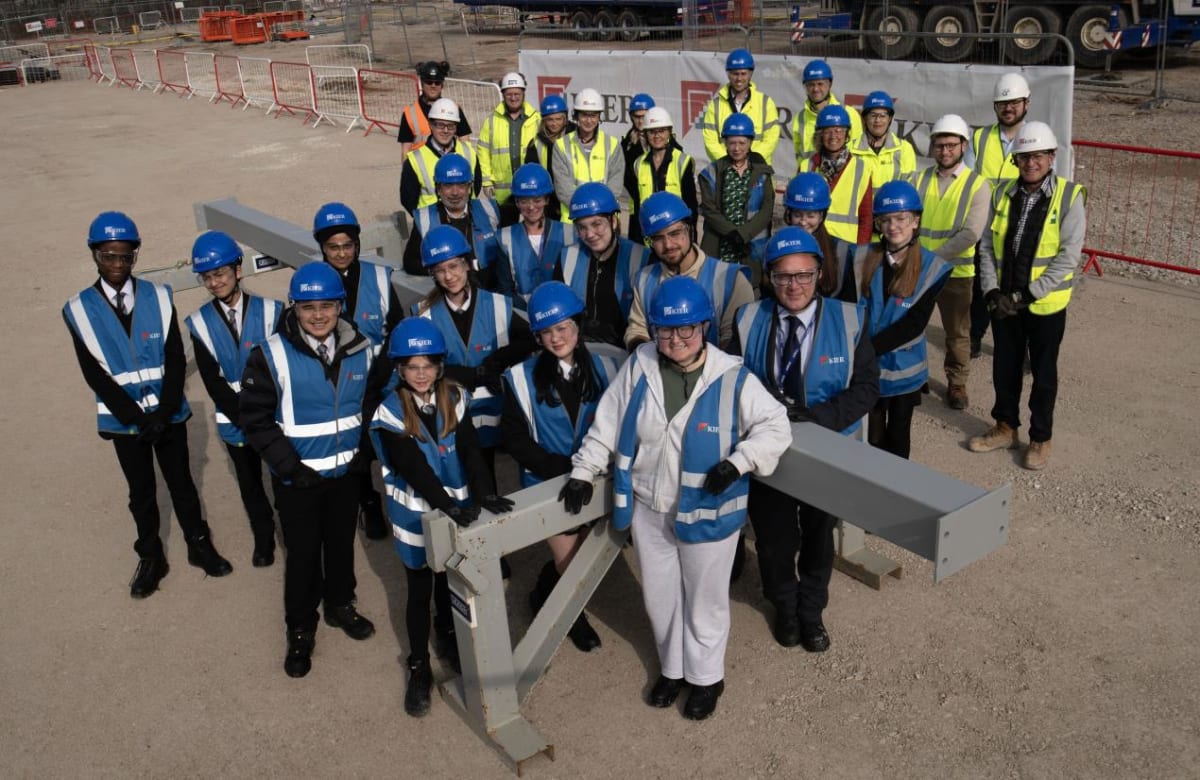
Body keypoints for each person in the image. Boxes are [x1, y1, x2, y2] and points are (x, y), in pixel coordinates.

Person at [561, 275, 791, 720]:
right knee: (661, 596)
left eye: (686, 329)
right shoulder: (640, 364)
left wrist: (740, 461)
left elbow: (776, 426)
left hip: (706, 510)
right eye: (666, 330)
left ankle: (707, 678)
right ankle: (673, 669)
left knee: (705, 600)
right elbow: (607, 421)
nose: (676, 339)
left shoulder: (732, 376)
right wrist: (584, 470)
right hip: (649, 505)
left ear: (703, 327)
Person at [63, 211, 233, 599]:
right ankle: (151, 554)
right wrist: (137, 419)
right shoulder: (78, 310)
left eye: (126, 256)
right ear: (95, 254)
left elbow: (175, 356)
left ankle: (198, 542)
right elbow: (95, 374)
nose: (118, 264)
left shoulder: (158, 296)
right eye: (109, 256)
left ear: (135, 255)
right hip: (127, 423)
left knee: (182, 484)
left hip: (167, 414)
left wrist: (165, 410)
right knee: (140, 492)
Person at [731, 227, 878, 651]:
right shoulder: (748, 319)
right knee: (775, 541)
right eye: (782, 276)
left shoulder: (850, 319)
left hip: (827, 451)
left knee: (818, 537)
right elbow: (734, 381)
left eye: (803, 275)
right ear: (770, 278)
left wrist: (819, 417)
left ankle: (811, 612)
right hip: (768, 452)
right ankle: (784, 604)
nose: (793, 286)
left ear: (819, 274)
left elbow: (867, 387)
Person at [240, 263, 386, 678]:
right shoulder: (270, 355)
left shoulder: (363, 348)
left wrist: (364, 454)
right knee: (303, 555)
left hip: (346, 474)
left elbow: (372, 402)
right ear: (294, 308)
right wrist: (290, 468)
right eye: (308, 308)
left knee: (340, 544)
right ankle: (301, 628)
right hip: (298, 481)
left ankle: (341, 604)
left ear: (340, 305)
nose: (318, 315)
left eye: (326, 306)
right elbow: (255, 418)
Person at [369, 318, 513, 717]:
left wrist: (485, 495)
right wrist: (447, 506)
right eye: (411, 367)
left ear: (439, 366)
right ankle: (418, 665)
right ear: (399, 369)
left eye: (427, 366)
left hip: (458, 508)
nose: (420, 374)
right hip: (416, 514)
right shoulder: (391, 410)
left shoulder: (456, 396)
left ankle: (448, 633)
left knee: (453, 580)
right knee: (419, 589)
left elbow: (471, 451)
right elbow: (413, 467)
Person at [501, 282, 620, 653]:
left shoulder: (607, 368)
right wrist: (562, 469)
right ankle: (573, 618)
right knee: (572, 564)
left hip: (597, 478)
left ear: (577, 326)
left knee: (588, 554)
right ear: (537, 335)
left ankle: (541, 590)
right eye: (548, 331)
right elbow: (514, 437)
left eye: (563, 327)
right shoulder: (519, 378)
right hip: (550, 481)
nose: (557, 338)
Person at [968, 122, 1086, 471]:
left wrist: (1027, 295)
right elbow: (987, 245)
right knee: (1005, 367)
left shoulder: (1069, 196)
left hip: (1045, 306)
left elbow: (1068, 257)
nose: (1031, 162)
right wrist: (991, 289)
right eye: (1024, 156)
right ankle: (1005, 427)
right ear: (1015, 160)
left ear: (1052, 156)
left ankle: (1040, 437)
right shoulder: (1002, 192)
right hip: (1005, 302)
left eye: (1038, 155)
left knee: (1044, 375)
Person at [184, 230, 284, 567]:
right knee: (249, 482)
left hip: (273, 416)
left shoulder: (272, 311)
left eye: (221, 273)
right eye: (207, 277)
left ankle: (290, 530)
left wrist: (263, 415)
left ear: (238, 271)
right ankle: (264, 537)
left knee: (282, 476)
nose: (214, 283)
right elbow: (213, 382)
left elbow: (283, 365)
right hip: (236, 421)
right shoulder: (199, 323)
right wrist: (245, 418)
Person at [314, 201, 401, 541]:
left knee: (395, 444)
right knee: (357, 452)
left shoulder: (379, 277)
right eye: (333, 247)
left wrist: (380, 374)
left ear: (357, 244)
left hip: (384, 380)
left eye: (347, 245)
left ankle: (400, 501)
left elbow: (394, 327)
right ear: (322, 247)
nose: (340, 253)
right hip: (344, 386)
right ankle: (369, 503)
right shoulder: (314, 283)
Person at [413, 225, 535, 459]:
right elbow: (417, 366)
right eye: (439, 270)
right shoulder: (422, 316)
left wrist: (497, 361)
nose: (448, 276)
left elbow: (530, 339)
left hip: (495, 418)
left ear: (467, 264)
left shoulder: (499, 304)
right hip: (449, 419)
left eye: (454, 266)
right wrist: (466, 373)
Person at [858, 181, 951, 459]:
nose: (893, 226)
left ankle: (896, 493)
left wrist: (867, 349)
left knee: (898, 438)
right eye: (885, 220)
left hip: (903, 372)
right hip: (870, 369)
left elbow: (914, 323)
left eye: (901, 219)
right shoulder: (864, 257)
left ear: (915, 221)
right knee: (873, 437)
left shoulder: (933, 267)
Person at [913, 114, 992, 410]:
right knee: (913, 325)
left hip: (954, 272)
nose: (944, 151)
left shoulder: (977, 185)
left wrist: (931, 258)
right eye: (939, 145)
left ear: (963, 146)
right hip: (919, 269)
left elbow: (971, 232)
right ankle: (915, 374)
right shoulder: (919, 179)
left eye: (950, 145)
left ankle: (957, 384)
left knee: (957, 332)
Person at [626, 191, 754, 352]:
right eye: (658, 238)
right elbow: (636, 330)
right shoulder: (644, 279)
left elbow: (736, 340)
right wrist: (649, 358)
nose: (668, 245)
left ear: (690, 229)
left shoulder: (731, 279)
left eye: (675, 233)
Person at [969, 73, 1031, 358]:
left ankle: (1024, 347)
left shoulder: (1035, 137)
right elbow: (968, 181)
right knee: (983, 288)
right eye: (1003, 103)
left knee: (1021, 289)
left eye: (1014, 102)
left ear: (1026, 103)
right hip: (987, 228)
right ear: (995, 107)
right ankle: (974, 337)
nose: (1008, 108)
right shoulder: (981, 138)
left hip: (1021, 227)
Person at [555, 182, 651, 348]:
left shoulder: (641, 258)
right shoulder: (567, 257)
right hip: (579, 351)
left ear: (614, 221)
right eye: (582, 227)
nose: (590, 234)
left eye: (597, 224)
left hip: (624, 352)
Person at [698, 113, 775, 287]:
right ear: (725, 143)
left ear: (750, 143)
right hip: (721, 244)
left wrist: (744, 234)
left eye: (742, 143)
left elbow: (767, 208)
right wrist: (732, 233)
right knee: (719, 288)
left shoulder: (762, 172)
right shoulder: (711, 172)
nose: (737, 148)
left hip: (752, 246)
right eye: (732, 143)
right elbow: (709, 209)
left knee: (750, 289)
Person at [404, 153, 502, 286]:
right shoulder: (425, 218)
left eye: (461, 185)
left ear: (469, 187)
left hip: (490, 292)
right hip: (449, 295)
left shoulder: (489, 210)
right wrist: (444, 271)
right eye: (448, 186)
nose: (455, 192)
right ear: (438, 189)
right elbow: (410, 263)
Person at [496, 163, 575, 307]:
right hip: (522, 319)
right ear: (517, 202)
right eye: (524, 201)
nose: (531, 207)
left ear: (547, 200)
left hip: (561, 316)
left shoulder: (569, 234)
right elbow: (505, 290)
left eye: (537, 200)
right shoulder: (504, 238)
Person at [625, 106, 698, 245]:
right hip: (648, 237)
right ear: (645, 133)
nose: (657, 136)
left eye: (662, 131)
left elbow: (691, 207)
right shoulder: (638, 164)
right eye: (652, 131)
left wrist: (691, 240)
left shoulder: (683, 161)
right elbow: (637, 205)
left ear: (669, 132)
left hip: (674, 238)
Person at [804, 105, 874, 247]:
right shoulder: (807, 166)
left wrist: (859, 252)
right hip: (811, 243)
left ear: (847, 134)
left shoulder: (861, 168)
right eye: (828, 131)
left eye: (838, 131)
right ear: (820, 134)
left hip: (846, 248)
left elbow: (866, 217)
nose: (833, 136)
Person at [781, 172, 857, 302]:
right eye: (798, 215)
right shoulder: (777, 247)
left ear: (822, 216)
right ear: (789, 214)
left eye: (811, 216)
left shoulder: (841, 251)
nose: (803, 222)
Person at [400, 97, 482, 217]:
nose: (445, 130)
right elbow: (408, 200)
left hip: (466, 221)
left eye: (451, 126)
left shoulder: (469, 153)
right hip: (432, 225)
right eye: (440, 125)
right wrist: (425, 221)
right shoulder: (414, 160)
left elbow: (476, 187)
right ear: (430, 125)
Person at [551, 88, 624, 222]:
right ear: (576, 116)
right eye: (584, 115)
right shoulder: (561, 146)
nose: (589, 120)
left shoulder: (613, 145)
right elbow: (563, 190)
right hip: (573, 220)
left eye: (593, 115)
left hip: (604, 219)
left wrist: (597, 211)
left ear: (599, 117)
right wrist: (587, 210)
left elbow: (615, 186)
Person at [699, 48, 781, 165]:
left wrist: (748, 162)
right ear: (728, 74)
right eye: (735, 74)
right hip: (726, 171)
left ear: (750, 74)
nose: (739, 79)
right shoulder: (715, 106)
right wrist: (731, 163)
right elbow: (710, 142)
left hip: (757, 170)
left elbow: (771, 139)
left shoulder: (765, 103)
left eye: (743, 74)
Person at [478, 71, 540, 224]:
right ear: (503, 94)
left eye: (517, 94)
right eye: (509, 94)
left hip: (530, 188)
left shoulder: (537, 120)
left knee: (532, 230)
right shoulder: (492, 120)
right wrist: (486, 181)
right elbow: (483, 151)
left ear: (523, 93)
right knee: (506, 234)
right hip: (503, 193)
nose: (513, 98)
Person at [792, 59, 863, 162]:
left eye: (820, 84)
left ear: (829, 84)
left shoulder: (849, 114)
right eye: (811, 84)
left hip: (841, 176)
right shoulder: (800, 118)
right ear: (806, 87)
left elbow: (858, 154)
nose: (815, 89)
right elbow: (799, 155)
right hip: (811, 175)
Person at [397, 61, 471, 158]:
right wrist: (406, 172)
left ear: (442, 85)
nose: (433, 86)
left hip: (447, 169)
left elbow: (465, 142)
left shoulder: (454, 109)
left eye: (437, 82)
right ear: (422, 83)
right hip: (421, 170)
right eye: (429, 82)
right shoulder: (409, 113)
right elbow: (405, 150)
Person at [524, 93, 575, 221]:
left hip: (573, 197)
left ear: (565, 119)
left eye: (558, 119)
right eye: (550, 119)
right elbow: (533, 173)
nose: (554, 124)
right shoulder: (536, 143)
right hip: (549, 202)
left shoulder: (576, 137)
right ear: (543, 120)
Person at [851, 90, 916, 188]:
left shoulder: (904, 149)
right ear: (864, 118)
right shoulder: (849, 149)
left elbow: (908, 187)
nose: (877, 120)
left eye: (882, 116)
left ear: (889, 119)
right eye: (873, 115)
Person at [621, 92, 655, 172]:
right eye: (637, 117)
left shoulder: (664, 138)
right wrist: (633, 148)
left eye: (644, 117)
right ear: (631, 117)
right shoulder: (627, 143)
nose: (640, 121)